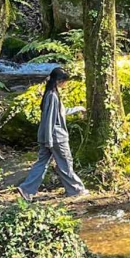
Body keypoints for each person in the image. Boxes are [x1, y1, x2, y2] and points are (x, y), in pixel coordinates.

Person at [18, 67, 88, 199]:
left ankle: (26, 190)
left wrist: (78, 109)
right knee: (65, 163)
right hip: (56, 137)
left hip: (48, 136)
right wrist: (49, 140)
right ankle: (76, 190)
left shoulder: (51, 94)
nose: (66, 84)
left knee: (41, 163)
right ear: (58, 81)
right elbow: (49, 119)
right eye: (65, 81)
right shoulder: (52, 96)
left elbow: (60, 113)